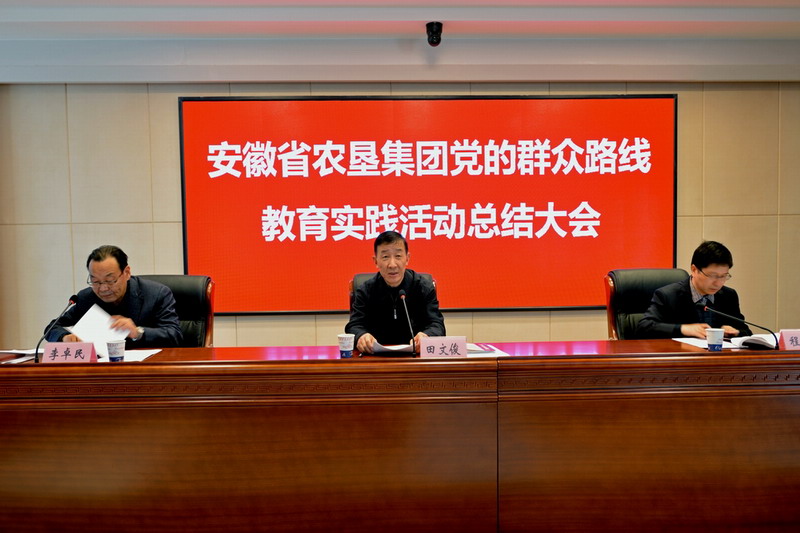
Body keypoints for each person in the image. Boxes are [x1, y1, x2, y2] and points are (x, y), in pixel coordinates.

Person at [44, 245, 183, 348]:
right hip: (101, 371)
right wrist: (65, 337)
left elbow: (174, 335)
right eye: (95, 281)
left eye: (110, 280)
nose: (103, 288)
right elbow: (51, 328)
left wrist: (137, 332)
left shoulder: (156, 294)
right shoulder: (86, 298)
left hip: (145, 369)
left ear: (126, 273)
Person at [345, 231, 445, 354]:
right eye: (385, 257)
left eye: (398, 256)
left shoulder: (423, 287)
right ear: (375, 261)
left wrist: (427, 335)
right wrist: (361, 335)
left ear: (407, 259)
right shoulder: (365, 290)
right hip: (375, 357)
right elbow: (354, 325)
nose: (392, 265)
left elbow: (437, 325)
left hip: (416, 357)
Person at [638, 240, 752, 339]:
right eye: (712, 276)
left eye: (723, 276)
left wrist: (734, 332)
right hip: (682, 355)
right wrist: (683, 329)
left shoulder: (728, 296)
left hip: (718, 356)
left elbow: (746, 331)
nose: (718, 283)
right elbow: (644, 327)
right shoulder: (668, 295)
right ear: (694, 269)